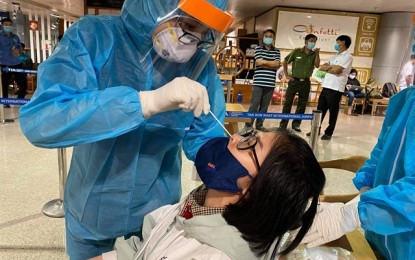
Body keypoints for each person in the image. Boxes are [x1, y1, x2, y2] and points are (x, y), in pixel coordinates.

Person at [19, 0, 234, 259]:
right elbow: (43, 120)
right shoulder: (94, 37)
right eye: (188, 25)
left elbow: (206, 140)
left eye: (204, 31)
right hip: (92, 214)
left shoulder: (200, 67)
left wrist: (239, 177)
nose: (193, 40)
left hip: (155, 217)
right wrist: (145, 103)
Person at [91, 129, 326, 259]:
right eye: (250, 133)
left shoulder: (217, 255)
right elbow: (143, 245)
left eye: (251, 144)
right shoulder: (201, 200)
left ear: (260, 187)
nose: (235, 138)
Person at [302, 87, 415, 260]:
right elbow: (381, 152)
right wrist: (366, 187)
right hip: (379, 236)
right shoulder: (403, 99)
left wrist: (355, 214)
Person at [307, 35, 353, 140]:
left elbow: (338, 70)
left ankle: (329, 132)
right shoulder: (334, 56)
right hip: (326, 85)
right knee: (320, 110)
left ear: (343, 42)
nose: (336, 44)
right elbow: (322, 68)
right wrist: (331, 67)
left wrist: (330, 68)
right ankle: (316, 129)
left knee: (333, 112)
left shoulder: (348, 57)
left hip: (336, 88)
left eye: (338, 42)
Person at [238, 29, 281, 135]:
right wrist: (270, 63)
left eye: (270, 36)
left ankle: (259, 125)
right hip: (258, 82)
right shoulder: (258, 49)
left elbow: (277, 64)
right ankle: (248, 125)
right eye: (266, 36)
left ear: (273, 38)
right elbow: (259, 62)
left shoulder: (276, 51)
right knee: (254, 104)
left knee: (264, 106)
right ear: (263, 37)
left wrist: (265, 63)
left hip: (270, 83)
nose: (268, 38)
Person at [279, 34, 320, 132]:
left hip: (305, 82)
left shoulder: (314, 54)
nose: (312, 43)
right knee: (288, 103)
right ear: (305, 42)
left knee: (302, 104)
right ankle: (283, 124)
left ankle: (296, 124)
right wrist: (286, 74)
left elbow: (317, 65)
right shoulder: (296, 52)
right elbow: (285, 61)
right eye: (311, 41)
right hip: (294, 81)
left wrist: (317, 54)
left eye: (314, 41)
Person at [0, 18, 27, 105]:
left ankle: (20, 99)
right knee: (4, 84)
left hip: (16, 62)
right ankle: (5, 102)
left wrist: (18, 50)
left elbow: (20, 46)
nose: (8, 26)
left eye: (9, 24)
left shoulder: (15, 37)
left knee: (23, 82)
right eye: (6, 24)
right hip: (5, 64)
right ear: (2, 25)